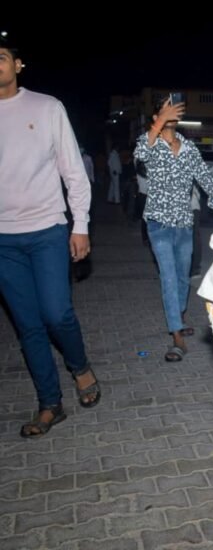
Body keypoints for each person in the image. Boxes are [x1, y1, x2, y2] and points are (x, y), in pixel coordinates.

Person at [0, 33, 101, 438]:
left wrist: (80, 224)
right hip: (3, 239)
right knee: (28, 326)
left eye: (2, 57)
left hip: (46, 228)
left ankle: (79, 366)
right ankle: (49, 403)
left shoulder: (46, 107)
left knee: (57, 312)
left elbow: (73, 170)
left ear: (18, 65)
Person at [133, 97, 213, 362]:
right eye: (164, 111)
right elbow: (139, 156)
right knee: (169, 277)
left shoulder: (187, 147)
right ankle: (176, 335)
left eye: (172, 111)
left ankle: (179, 315)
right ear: (156, 119)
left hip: (185, 223)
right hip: (159, 224)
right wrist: (161, 119)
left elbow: (205, 175)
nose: (171, 113)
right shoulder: (149, 144)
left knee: (184, 276)